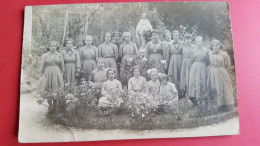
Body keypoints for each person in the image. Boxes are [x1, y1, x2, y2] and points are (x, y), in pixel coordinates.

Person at [37, 41, 65, 116]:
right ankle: (50, 108)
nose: (53, 47)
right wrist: (41, 74)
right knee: (48, 89)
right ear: (49, 47)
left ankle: (55, 108)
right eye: (51, 46)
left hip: (57, 73)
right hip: (47, 73)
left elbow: (62, 65)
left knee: (56, 89)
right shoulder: (45, 55)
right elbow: (42, 65)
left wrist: (61, 73)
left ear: (56, 47)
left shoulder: (59, 55)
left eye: (54, 46)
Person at [207, 39, 234, 111]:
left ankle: (224, 105)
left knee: (222, 88)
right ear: (211, 46)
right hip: (212, 73)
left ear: (219, 46)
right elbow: (208, 63)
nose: (215, 47)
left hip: (221, 73)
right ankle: (215, 105)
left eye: (216, 45)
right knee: (214, 87)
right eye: (213, 45)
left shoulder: (224, 54)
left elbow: (228, 64)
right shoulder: (209, 54)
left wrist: (222, 71)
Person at [188, 36, 210, 106]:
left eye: (200, 41)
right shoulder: (193, 51)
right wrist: (191, 69)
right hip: (194, 67)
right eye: (197, 41)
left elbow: (208, 62)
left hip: (203, 67)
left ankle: (203, 99)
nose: (198, 43)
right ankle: (195, 99)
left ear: (202, 42)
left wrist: (205, 68)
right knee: (194, 81)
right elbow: (191, 61)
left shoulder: (207, 51)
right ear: (195, 42)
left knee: (202, 81)